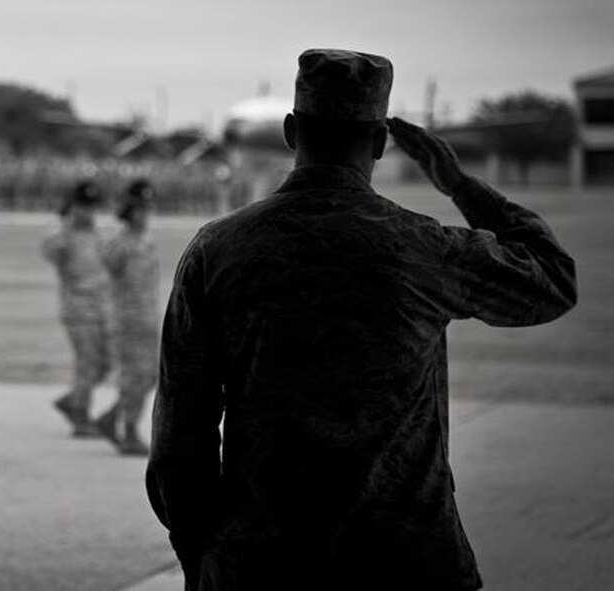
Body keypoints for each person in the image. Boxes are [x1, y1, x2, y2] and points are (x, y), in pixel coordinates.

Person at [146, 49, 577, 590]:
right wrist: (461, 187)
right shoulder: (423, 246)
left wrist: (202, 560)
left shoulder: (217, 250)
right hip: (406, 559)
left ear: (289, 131)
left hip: (262, 562)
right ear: (378, 143)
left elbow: (180, 436)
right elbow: (553, 282)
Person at [95, 179, 160, 456]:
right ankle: (129, 429)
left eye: (148, 209)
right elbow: (109, 270)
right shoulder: (118, 243)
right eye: (139, 210)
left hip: (146, 318)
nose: (145, 215)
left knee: (150, 375)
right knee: (135, 376)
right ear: (128, 211)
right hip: (127, 320)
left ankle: (113, 418)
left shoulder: (147, 241)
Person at [42, 180, 112, 437]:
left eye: (92, 207)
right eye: (84, 206)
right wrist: (67, 224)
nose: (89, 212)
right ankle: (80, 416)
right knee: (87, 363)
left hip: (102, 306)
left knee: (107, 362)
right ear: (73, 206)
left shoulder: (99, 233)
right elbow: (49, 250)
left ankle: (72, 400)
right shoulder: (62, 236)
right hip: (77, 308)